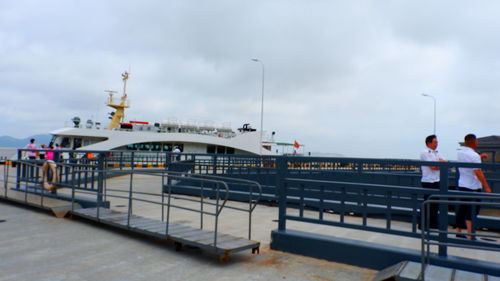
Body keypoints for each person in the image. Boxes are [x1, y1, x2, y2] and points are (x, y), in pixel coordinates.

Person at [456, 134, 492, 239]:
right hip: (473, 186)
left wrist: (479, 157)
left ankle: (459, 231)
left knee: (462, 208)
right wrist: (486, 186)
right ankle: (470, 234)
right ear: (474, 142)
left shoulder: (460, 152)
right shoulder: (474, 155)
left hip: (462, 184)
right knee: (472, 210)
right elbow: (478, 171)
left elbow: (469, 160)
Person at [419, 135, 446, 229]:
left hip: (436, 180)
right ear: (428, 143)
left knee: (435, 204)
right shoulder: (425, 152)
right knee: (427, 203)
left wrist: (440, 164)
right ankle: (422, 224)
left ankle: (433, 224)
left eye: (437, 142)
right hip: (428, 181)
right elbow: (433, 166)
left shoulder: (436, 152)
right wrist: (440, 165)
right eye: (435, 142)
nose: (436, 144)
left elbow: (445, 162)